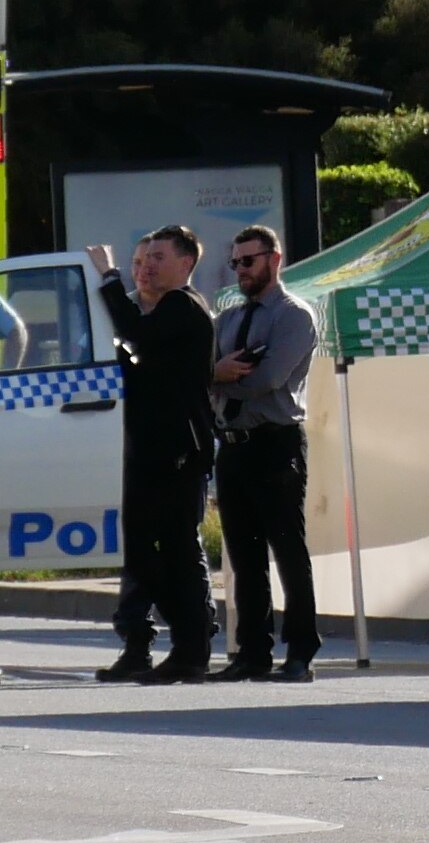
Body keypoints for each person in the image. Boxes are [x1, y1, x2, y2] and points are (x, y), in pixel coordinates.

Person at [87, 225, 219, 684]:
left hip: (177, 451)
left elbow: (136, 334)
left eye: (158, 258)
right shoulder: (163, 314)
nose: (147, 267)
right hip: (151, 449)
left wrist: (108, 279)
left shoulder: (183, 306)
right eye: (142, 260)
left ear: (186, 264)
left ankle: (193, 647)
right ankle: (182, 643)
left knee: (175, 552)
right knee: (146, 554)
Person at [209, 225, 322, 681]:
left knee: (287, 550)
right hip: (233, 445)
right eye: (235, 262)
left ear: (273, 260)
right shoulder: (229, 319)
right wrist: (217, 374)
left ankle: (300, 652)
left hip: (275, 442)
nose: (240, 270)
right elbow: (202, 373)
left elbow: (266, 380)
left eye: (248, 261)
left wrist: (217, 377)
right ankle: (251, 652)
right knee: (244, 555)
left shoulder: (294, 316)